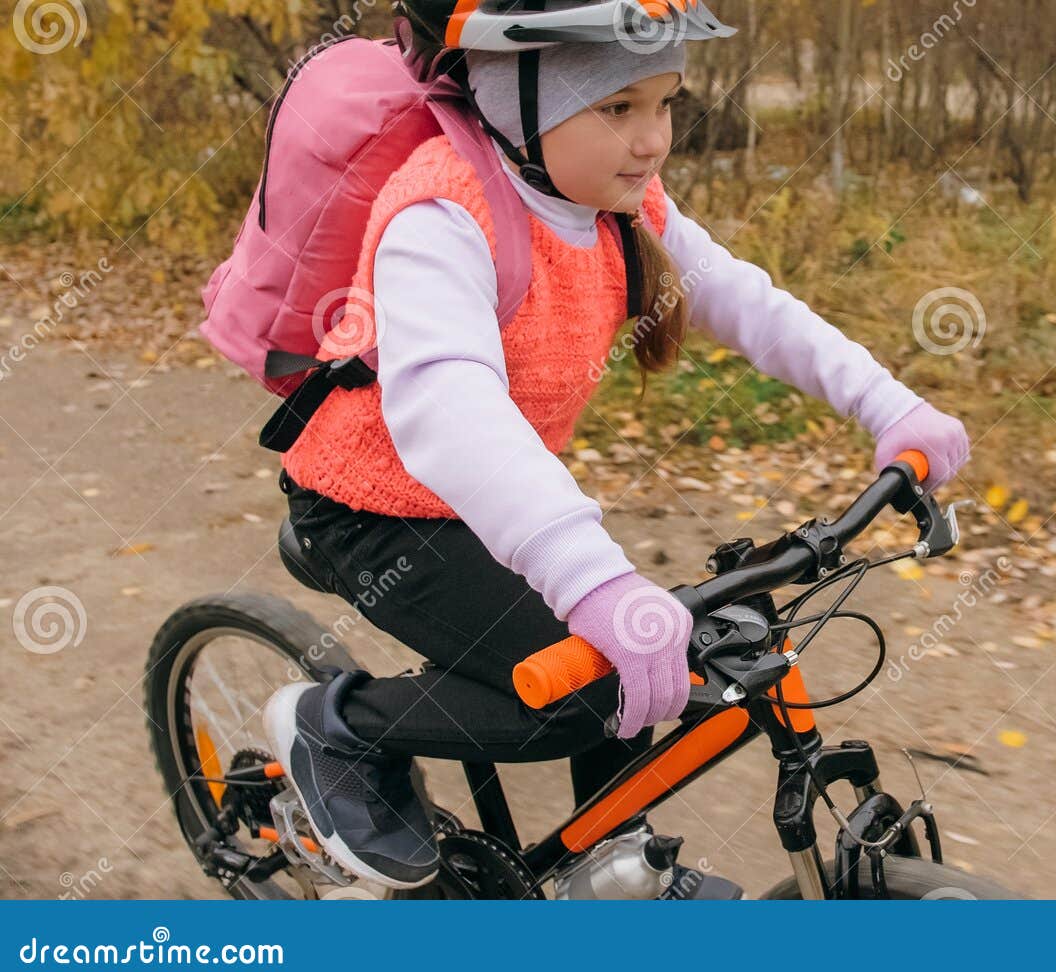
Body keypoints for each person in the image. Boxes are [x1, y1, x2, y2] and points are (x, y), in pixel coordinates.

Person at [261, 0, 971, 893]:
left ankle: (607, 853)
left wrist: (888, 405)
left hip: (495, 500)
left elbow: (748, 302)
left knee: (667, 653)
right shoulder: (441, 213)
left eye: (665, 102)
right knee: (581, 698)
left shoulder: (613, 201)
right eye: (617, 108)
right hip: (372, 511)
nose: (654, 141)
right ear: (518, 105)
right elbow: (449, 406)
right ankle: (340, 727)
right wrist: (591, 578)